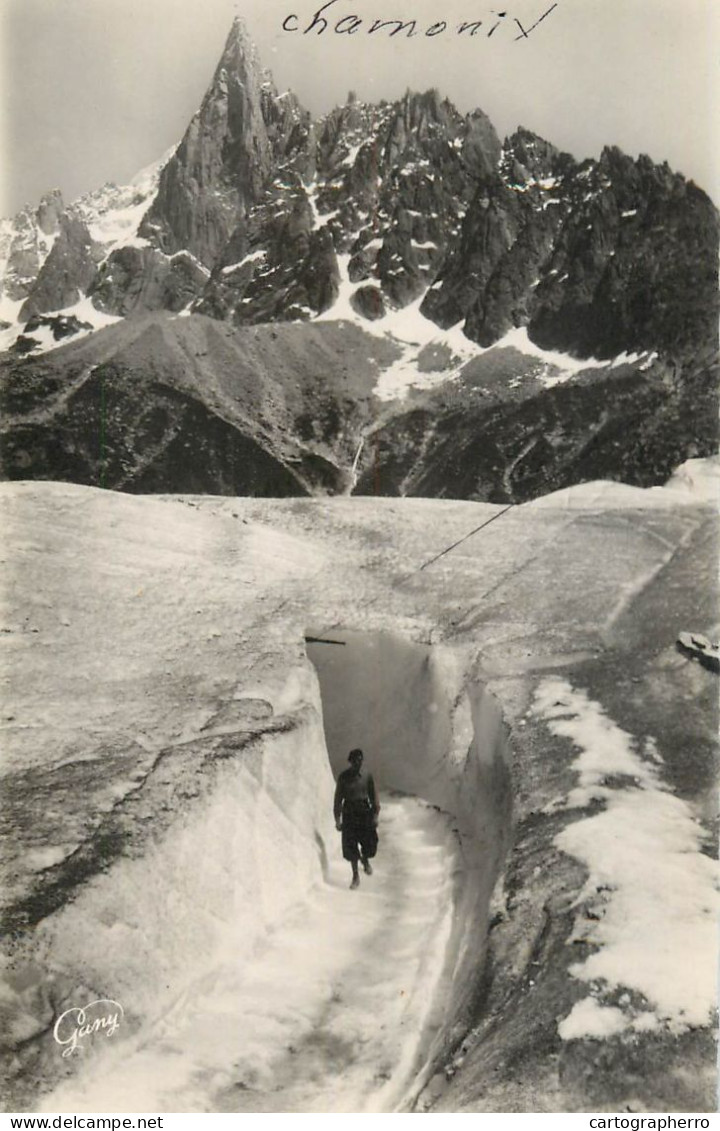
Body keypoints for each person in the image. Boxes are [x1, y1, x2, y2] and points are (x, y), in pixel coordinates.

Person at [333, 748, 380, 889]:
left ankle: (365, 860)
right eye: (354, 761)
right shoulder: (343, 777)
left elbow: (374, 797)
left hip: (365, 811)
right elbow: (338, 800)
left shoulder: (367, 776)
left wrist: (376, 815)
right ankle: (355, 876)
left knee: (370, 843)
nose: (357, 763)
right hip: (349, 813)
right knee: (350, 845)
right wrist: (338, 820)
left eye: (360, 760)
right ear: (350, 762)